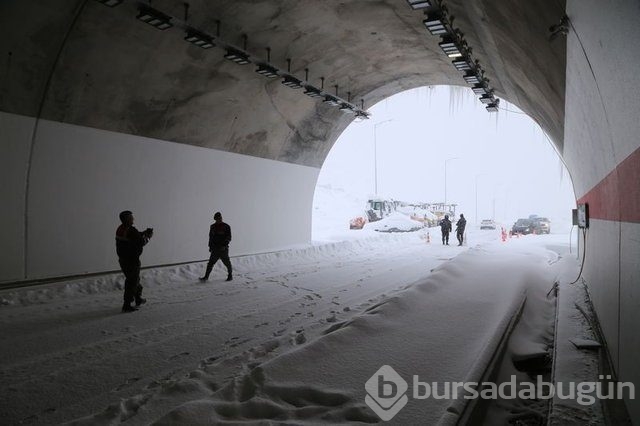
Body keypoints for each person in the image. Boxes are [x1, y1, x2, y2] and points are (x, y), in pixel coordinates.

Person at [115, 210, 153, 312]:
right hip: (132, 261)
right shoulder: (131, 230)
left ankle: (138, 299)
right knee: (132, 282)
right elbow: (141, 242)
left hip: (123, 260)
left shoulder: (121, 228)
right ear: (127, 219)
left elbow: (134, 236)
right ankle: (126, 305)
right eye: (131, 217)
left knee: (134, 280)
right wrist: (148, 237)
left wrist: (143, 232)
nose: (133, 219)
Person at [200, 212, 233, 282]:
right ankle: (206, 277)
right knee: (210, 263)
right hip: (215, 249)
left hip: (223, 249)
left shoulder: (226, 226)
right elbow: (211, 237)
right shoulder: (212, 227)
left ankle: (230, 275)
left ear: (221, 218)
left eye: (220, 218)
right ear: (215, 219)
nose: (219, 219)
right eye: (217, 218)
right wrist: (210, 246)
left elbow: (229, 237)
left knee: (227, 262)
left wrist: (224, 245)